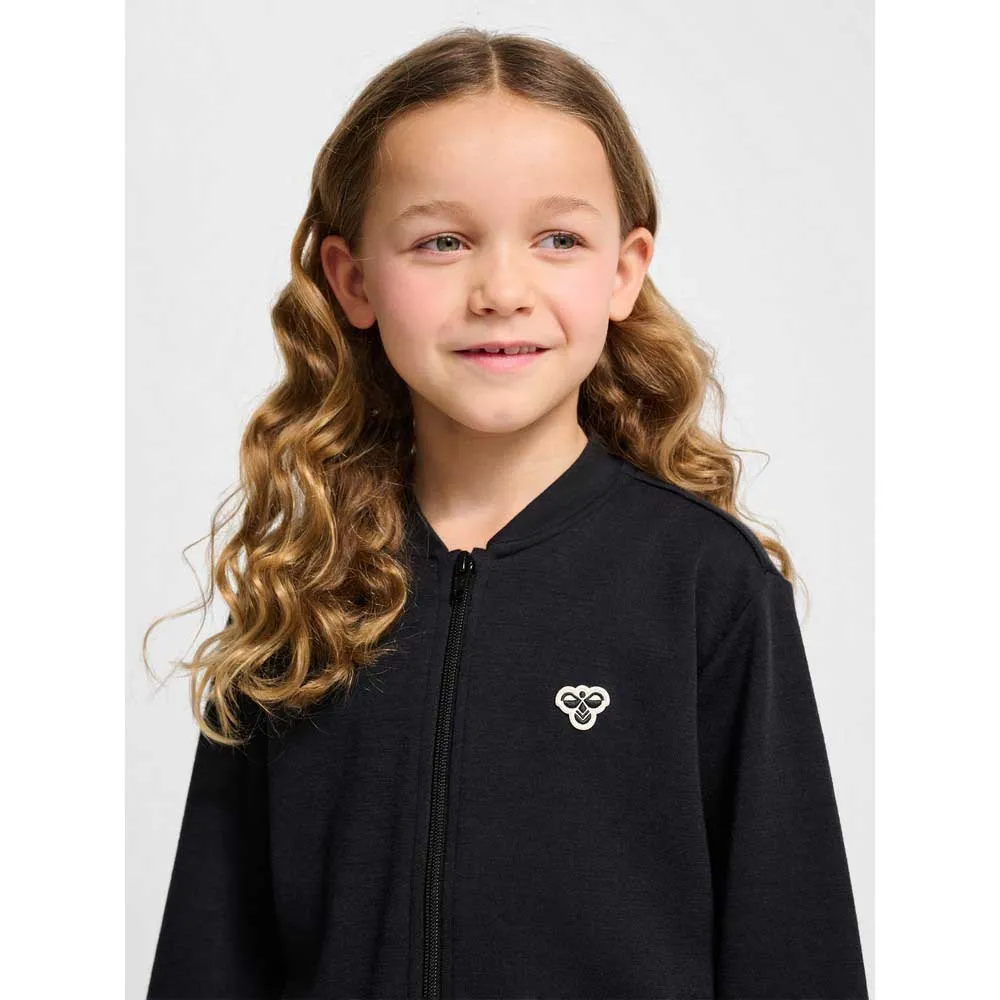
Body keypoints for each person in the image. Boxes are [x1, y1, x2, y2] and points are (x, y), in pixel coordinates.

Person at [145, 26, 869, 1000]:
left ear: (624, 270)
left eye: (557, 239)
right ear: (354, 279)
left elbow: (796, 952)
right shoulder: (300, 590)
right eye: (441, 241)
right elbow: (208, 962)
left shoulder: (706, 586)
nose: (500, 291)